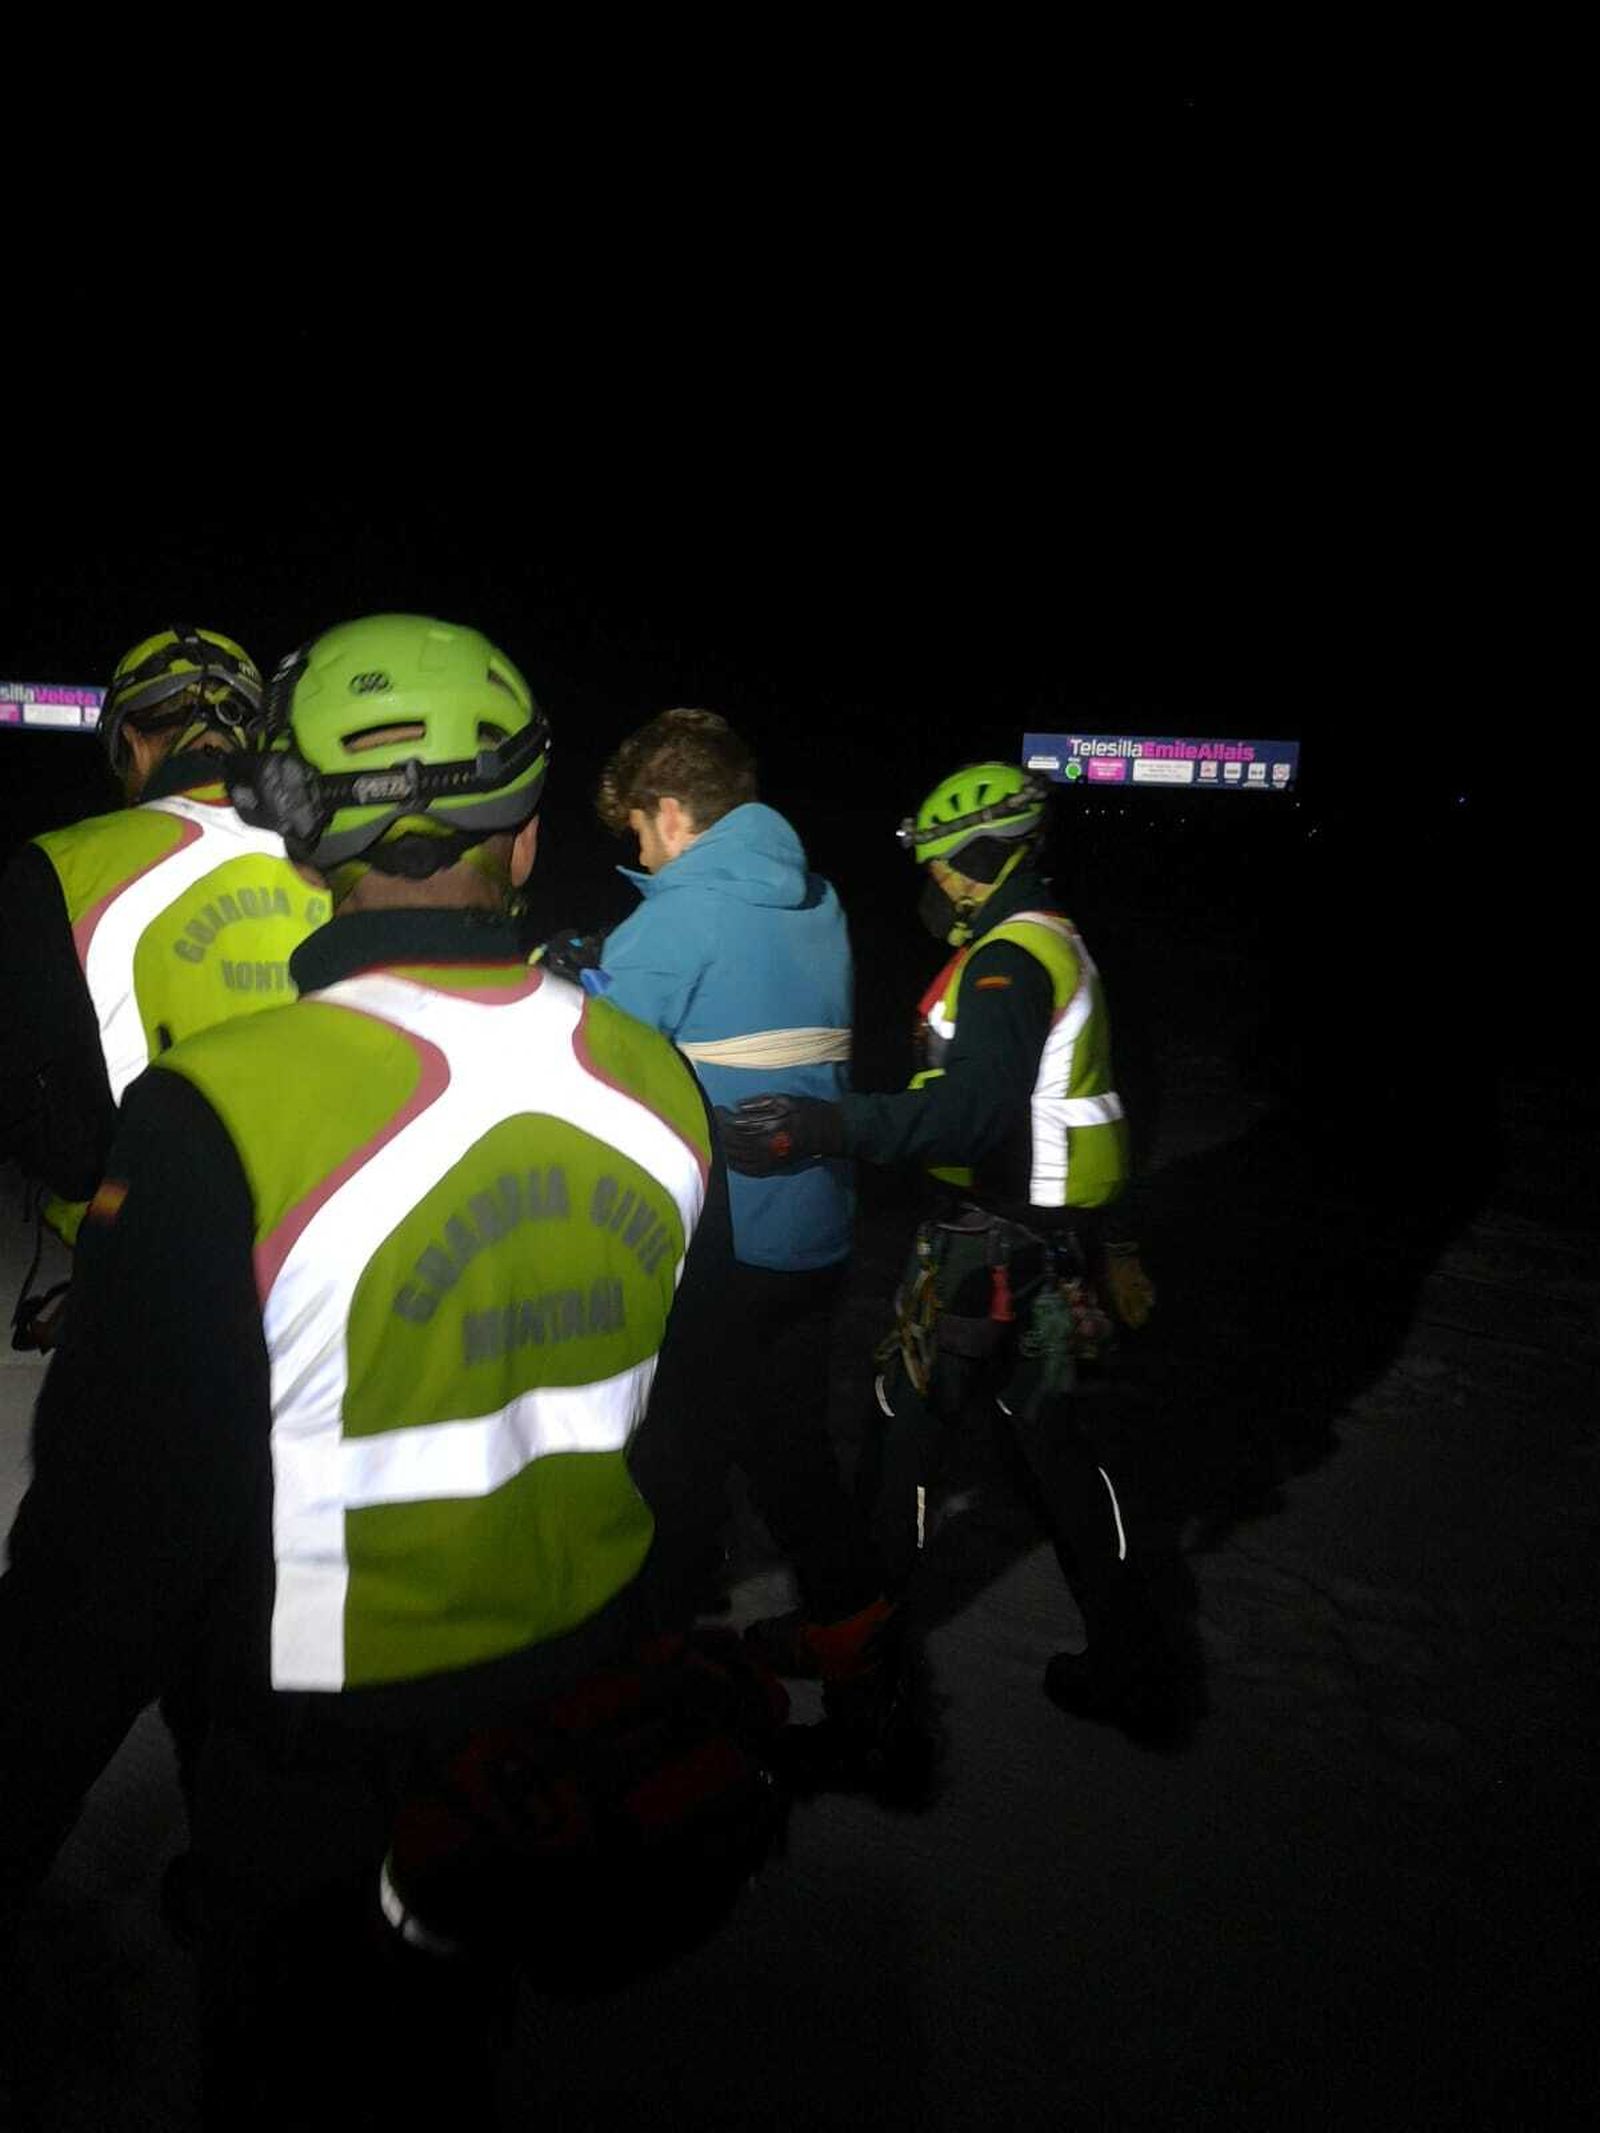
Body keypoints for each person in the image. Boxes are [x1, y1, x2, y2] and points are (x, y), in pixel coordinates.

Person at [0, 616, 755, 2128]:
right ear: (526, 840)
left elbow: (108, 1554)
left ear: (303, 838)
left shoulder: (214, 1112)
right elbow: (688, 1455)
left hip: (318, 1779)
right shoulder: (658, 1081)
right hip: (557, 1727)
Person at [721, 760, 1176, 1740]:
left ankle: (863, 1659)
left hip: (989, 1246)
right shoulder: (1052, 936)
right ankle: (1132, 1655)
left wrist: (826, 1125)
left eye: (941, 864)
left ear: (982, 853)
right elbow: (1093, 1093)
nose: (932, 883)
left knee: (901, 1438)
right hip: (1054, 1242)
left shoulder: (1008, 961)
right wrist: (1117, 1232)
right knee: (1054, 1448)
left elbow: (972, 1116)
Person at [591, 709, 895, 1728]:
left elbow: (596, 1059)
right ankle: (862, 1653)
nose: (640, 854)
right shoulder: (818, 899)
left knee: (674, 1460)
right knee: (792, 1451)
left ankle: (652, 1680)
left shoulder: (681, 915)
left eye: (639, 831)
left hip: (718, 1245)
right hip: (815, 1233)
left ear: (674, 812)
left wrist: (575, 979)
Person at [0, 625, 331, 1327]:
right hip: (334, 1269)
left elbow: (61, 1145)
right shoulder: (337, 856)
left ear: (135, 742)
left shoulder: (59, 868)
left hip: (156, 1281)